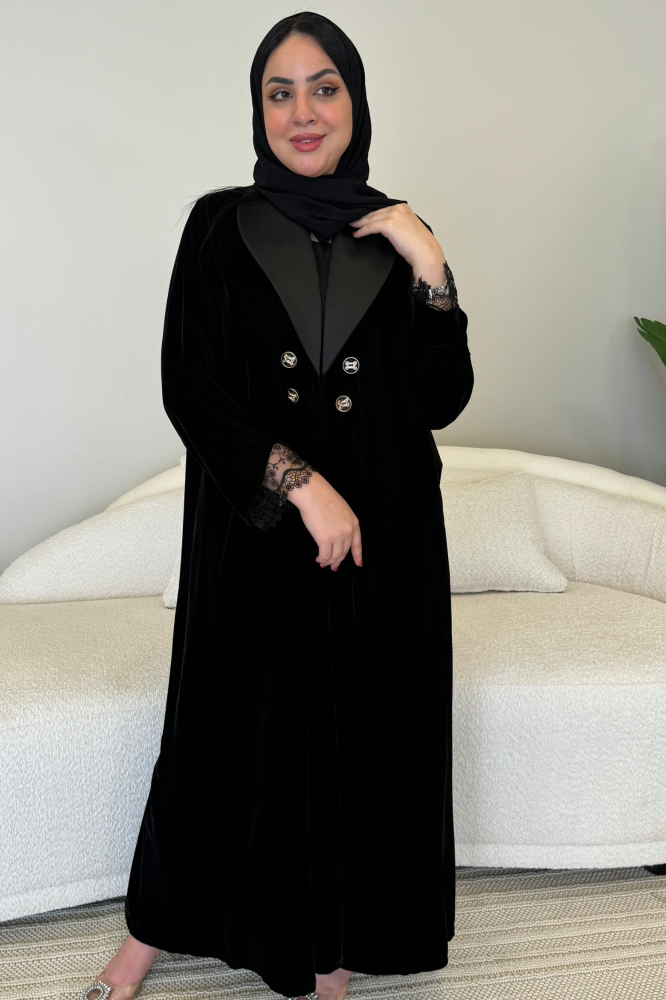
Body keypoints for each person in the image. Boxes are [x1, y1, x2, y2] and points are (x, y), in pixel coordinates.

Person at [78, 11, 473, 1000]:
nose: (304, 112)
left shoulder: (399, 230)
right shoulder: (219, 226)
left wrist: (431, 269)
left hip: (386, 542)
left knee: (362, 742)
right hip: (255, 532)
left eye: (324, 87)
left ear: (355, 102)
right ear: (258, 110)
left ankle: (331, 955)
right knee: (218, 737)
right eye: (280, 91)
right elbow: (189, 384)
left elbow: (440, 400)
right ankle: (152, 930)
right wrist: (302, 485)